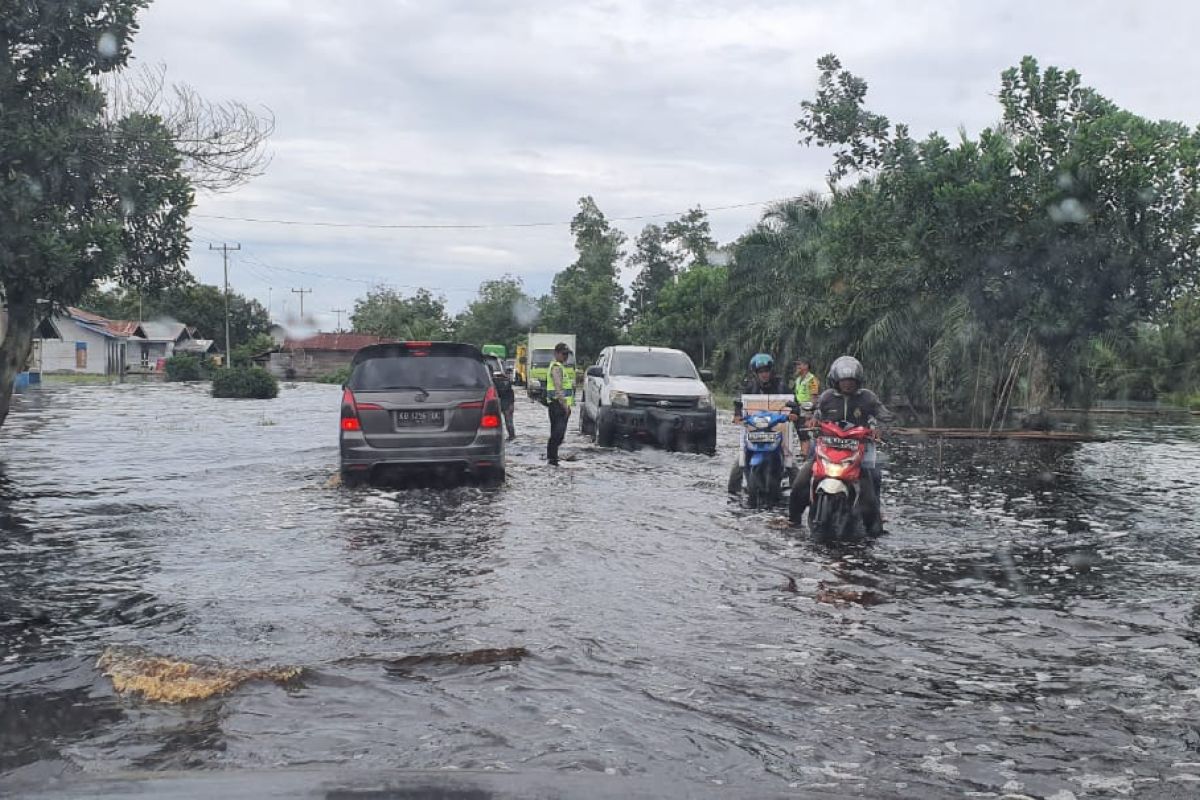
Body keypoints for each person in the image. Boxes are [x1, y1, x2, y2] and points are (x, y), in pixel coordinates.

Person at [788, 355, 893, 535]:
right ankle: (793, 519)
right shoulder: (827, 397)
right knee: (801, 480)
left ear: (858, 380)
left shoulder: (867, 398)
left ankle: (875, 527)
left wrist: (880, 430)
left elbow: (885, 416)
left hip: (858, 450)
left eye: (851, 380)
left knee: (873, 478)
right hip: (827, 447)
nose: (847, 384)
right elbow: (817, 413)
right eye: (844, 380)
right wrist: (812, 420)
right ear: (835, 380)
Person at [728, 353, 790, 492]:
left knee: (793, 466)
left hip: (777, 431)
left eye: (767, 371)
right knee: (738, 465)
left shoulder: (781, 386)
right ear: (756, 373)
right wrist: (737, 414)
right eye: (761, 372)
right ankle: (733, 497)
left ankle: (799, 498)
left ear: (771, 371)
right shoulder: (750, 387)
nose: (764, 374)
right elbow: (739, 402)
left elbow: (793, 403)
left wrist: (794, 412)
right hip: (755, 432)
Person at [545, 341, 574, 466]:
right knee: (558, 434)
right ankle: (552, 459)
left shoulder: (560, 367)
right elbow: (558, 388)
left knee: (557, 434)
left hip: (559, 405)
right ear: (556, 353)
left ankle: (552, 458)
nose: (565, 357)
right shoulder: (556, 367)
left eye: (567, 354)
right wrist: (565, 406)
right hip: (558, 405)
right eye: (563, 354)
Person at [792, 357, 820, 457]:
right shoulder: (798, 379)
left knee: (805, 432)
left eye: (799, 365)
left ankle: (806, 454)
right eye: (797, 365)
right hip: (798, 408)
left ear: (806, 366)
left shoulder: (812, 379)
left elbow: (814, 397)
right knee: (799, 430)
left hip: (807, 409)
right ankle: (802, 452)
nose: (797, 367)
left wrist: (809, 412)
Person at [492, 359, 516, 441]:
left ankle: (508, 436)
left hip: (502, 404)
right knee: (509, 422)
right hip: (508, 404)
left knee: (499, 422)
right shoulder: (507, 382)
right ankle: (512, 436)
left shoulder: (494, 383)